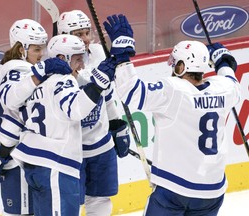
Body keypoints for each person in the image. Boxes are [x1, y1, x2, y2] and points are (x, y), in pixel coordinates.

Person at [102, 14, 241, 216]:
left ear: (181, 66)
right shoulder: (224, 89)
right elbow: (230, 76)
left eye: (175, 63)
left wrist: (122, 57)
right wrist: (223, 60)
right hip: (212, 191)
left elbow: (133, 93)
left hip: (174, 190)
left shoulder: (174, 90)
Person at [10, 34, 117, 216]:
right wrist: (98, 85)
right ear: (62, 59)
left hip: (35, 164)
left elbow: (12, 101)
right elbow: (76, 110)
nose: (82, 64)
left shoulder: (37, 79)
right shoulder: (63, 80)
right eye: (77, 59)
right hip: (55, 165)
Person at [0, 18, 71, 216]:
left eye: (43, 49)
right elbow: (12, 103)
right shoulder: (17, 70)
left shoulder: (9, 65)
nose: (42, 55)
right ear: (21, 49)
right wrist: (3, 150)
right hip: (17, 154)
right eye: (36, 50)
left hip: (18, 151)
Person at [57, 10, 131, 216]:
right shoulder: (56, 63)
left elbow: (106, 95)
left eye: (86, 33)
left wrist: (116, 122)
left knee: (100, 199)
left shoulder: (99, 53)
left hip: (101, 144)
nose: (85, 39)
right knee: (68, 206)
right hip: (71, 149)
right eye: (77, 34)